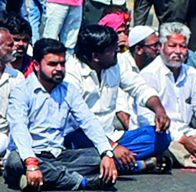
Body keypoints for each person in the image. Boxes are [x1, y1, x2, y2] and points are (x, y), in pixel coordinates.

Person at [5, 37, 124, 192]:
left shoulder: (69, 90)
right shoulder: (21, 91)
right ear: (36, 65)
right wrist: (31, 163)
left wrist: (106, 152)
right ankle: (83, 182)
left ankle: (41, 179)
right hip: (30, 155)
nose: (59, 69)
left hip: (58, 156)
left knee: (99, 157)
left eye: (62, 64)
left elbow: (88, 121)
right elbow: (19, 128)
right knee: (14, 162)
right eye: (53, 64)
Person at [70, 22, 165, 168]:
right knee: (81, 153)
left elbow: (139, 87)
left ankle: (113, 163)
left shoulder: (115, 64)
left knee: (161, 138)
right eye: (113, 50)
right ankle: (138, 166)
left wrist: (159, 110)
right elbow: (79, 121)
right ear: (96, 56)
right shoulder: (72, 72)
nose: (118, 52)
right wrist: (111, 147)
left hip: (112, 135)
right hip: (83, 137)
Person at [138, 22, 196, 168]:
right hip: (164, 135)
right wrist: (183, 139)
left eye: (182, 46)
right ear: (161, 48)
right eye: (172, 46)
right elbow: (145, 119)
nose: (178, 51)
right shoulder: (149, 74)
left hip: (189, 133)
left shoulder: (191, 73)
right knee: (170, 147)